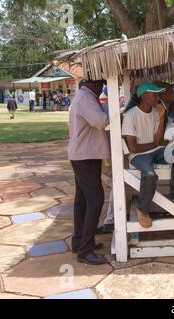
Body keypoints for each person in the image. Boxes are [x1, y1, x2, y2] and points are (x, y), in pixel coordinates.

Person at [122, 82, 174, 229]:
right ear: (143, 96)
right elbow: (133, 148)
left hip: (154, 151)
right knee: (150, 175)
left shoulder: (154, 113)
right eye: (154, 94)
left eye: (158, 94)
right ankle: (142, 209)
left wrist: (162, 117)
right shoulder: (130, 116)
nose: (157, 97)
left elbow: (158, 140)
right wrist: (156, 145)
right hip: (138, 155)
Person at [68, 79, 109, 265]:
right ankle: (85, 250)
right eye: (100, 84)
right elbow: (100, 121)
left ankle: (80, 242)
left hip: (85, 155)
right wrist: (113, 109)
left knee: (83, 201)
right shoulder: (86, 98)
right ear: (93, 84)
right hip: (85, 157)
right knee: (95, 199)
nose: (102, 88)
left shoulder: (85, 96)